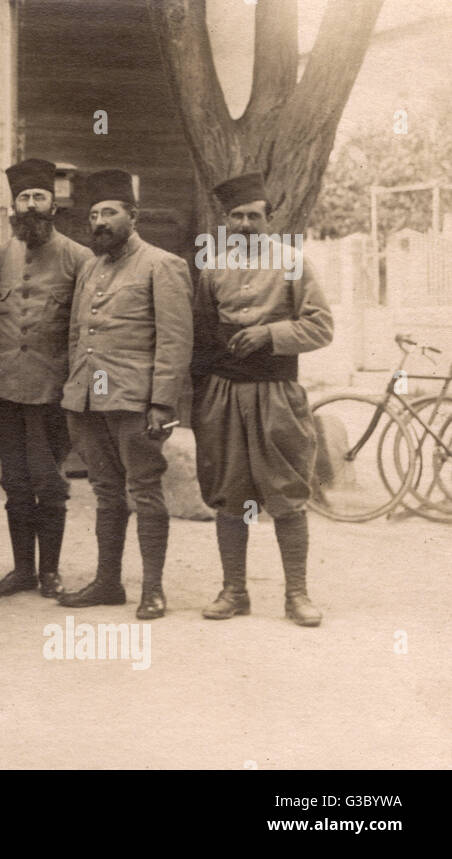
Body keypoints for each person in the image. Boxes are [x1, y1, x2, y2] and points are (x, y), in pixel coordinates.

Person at [192, 171, 333, 627]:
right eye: (237, 216)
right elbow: (201, 335)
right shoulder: (211, 268)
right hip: (224, 393)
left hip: (277, 394)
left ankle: (297, 595)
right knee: (229, 493)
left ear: (269, 218)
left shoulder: (294, 263)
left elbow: (321, 327)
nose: (247, 223)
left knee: (287, 493)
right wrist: (195, 402)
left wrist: (270, 334)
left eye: (255, 215)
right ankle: (234, 591)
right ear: (226, 220)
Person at [59, 170, 192, 620]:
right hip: (88, 400)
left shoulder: (162, 264)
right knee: (104, 491)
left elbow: (175, 341)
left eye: (110, 212)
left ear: (132, 216)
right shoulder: (90, 268)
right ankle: (107, 582)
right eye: (94, 214)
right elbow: (80, 334)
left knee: (146, 490)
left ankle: (152, 589)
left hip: (135, 402)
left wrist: (162, 403)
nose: (100, 222)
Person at [0, 159, 92, 600]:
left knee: (49, 482)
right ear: (14, 206)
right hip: (6, 387)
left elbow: (85, 329)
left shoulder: (78, 257)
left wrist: (77, 389)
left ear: (53, 204)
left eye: (38, 198)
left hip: (52, 391)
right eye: (23, 198)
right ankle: (22, 570)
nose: (30, 206)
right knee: (14, 482)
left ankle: (50, 571)